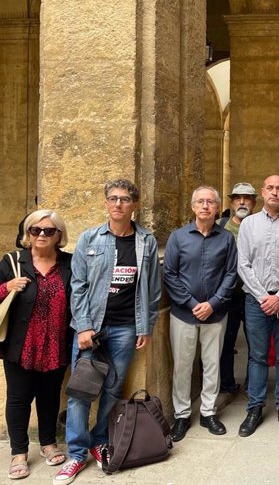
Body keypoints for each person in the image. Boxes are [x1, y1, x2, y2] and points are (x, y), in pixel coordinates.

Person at [54, 179, 161, 485]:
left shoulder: (146, 241)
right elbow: (78, 286)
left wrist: (146, 326)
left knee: (113, 388)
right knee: (80, 393)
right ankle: (76, 454)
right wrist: (84, 326)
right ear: (105, 203)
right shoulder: (90, 238)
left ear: (135, 205)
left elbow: (152, 288)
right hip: (92, 328)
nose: (118, 204)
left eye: (125, 199)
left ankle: (100, 441)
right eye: (113, 199)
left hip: (126, 328)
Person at [1, 210, 72, 480]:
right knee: (18, 399)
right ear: (27, 233)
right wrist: (7, 286)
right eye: (35, 230)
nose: (41, 235)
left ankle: (47, 443)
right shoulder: (12, 261)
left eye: (49, 231)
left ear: (58, 236)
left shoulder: (69, 263)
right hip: (21, 344)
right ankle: (19, 453)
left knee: (49, 396)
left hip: (55, 343)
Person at [164, 186, 238, 442]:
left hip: (215, 315)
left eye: (211, 202)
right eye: (201, 202)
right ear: (193, 207)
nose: (206, 206)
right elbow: (170, 274)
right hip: (184, 314)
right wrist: (192, 302)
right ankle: (182, 415)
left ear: (217, 208)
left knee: (212, 365)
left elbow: (231, 274)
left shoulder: (226, 238)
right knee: (182, 366)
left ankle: (208, 412)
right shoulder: (178, 237)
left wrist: (213, 303)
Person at [236, 175, 279, 437]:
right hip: (256, 301)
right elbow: (243, 264)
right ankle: (254, 408)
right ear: (263, 192)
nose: (275, 192)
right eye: (270, 188)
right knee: (257, 356)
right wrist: (264, 296)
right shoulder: (248, 225)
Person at [218, 182, 257, 398]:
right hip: (227, 296)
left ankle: (253, 384)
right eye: (238, 198)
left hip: (253, 295)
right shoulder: (220, 226)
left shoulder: (259, 225)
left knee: (255, 342)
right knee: (226, 341)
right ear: (232, 202)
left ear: (254, 202)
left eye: (247, 198)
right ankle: (227, 383)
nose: (242, 202)